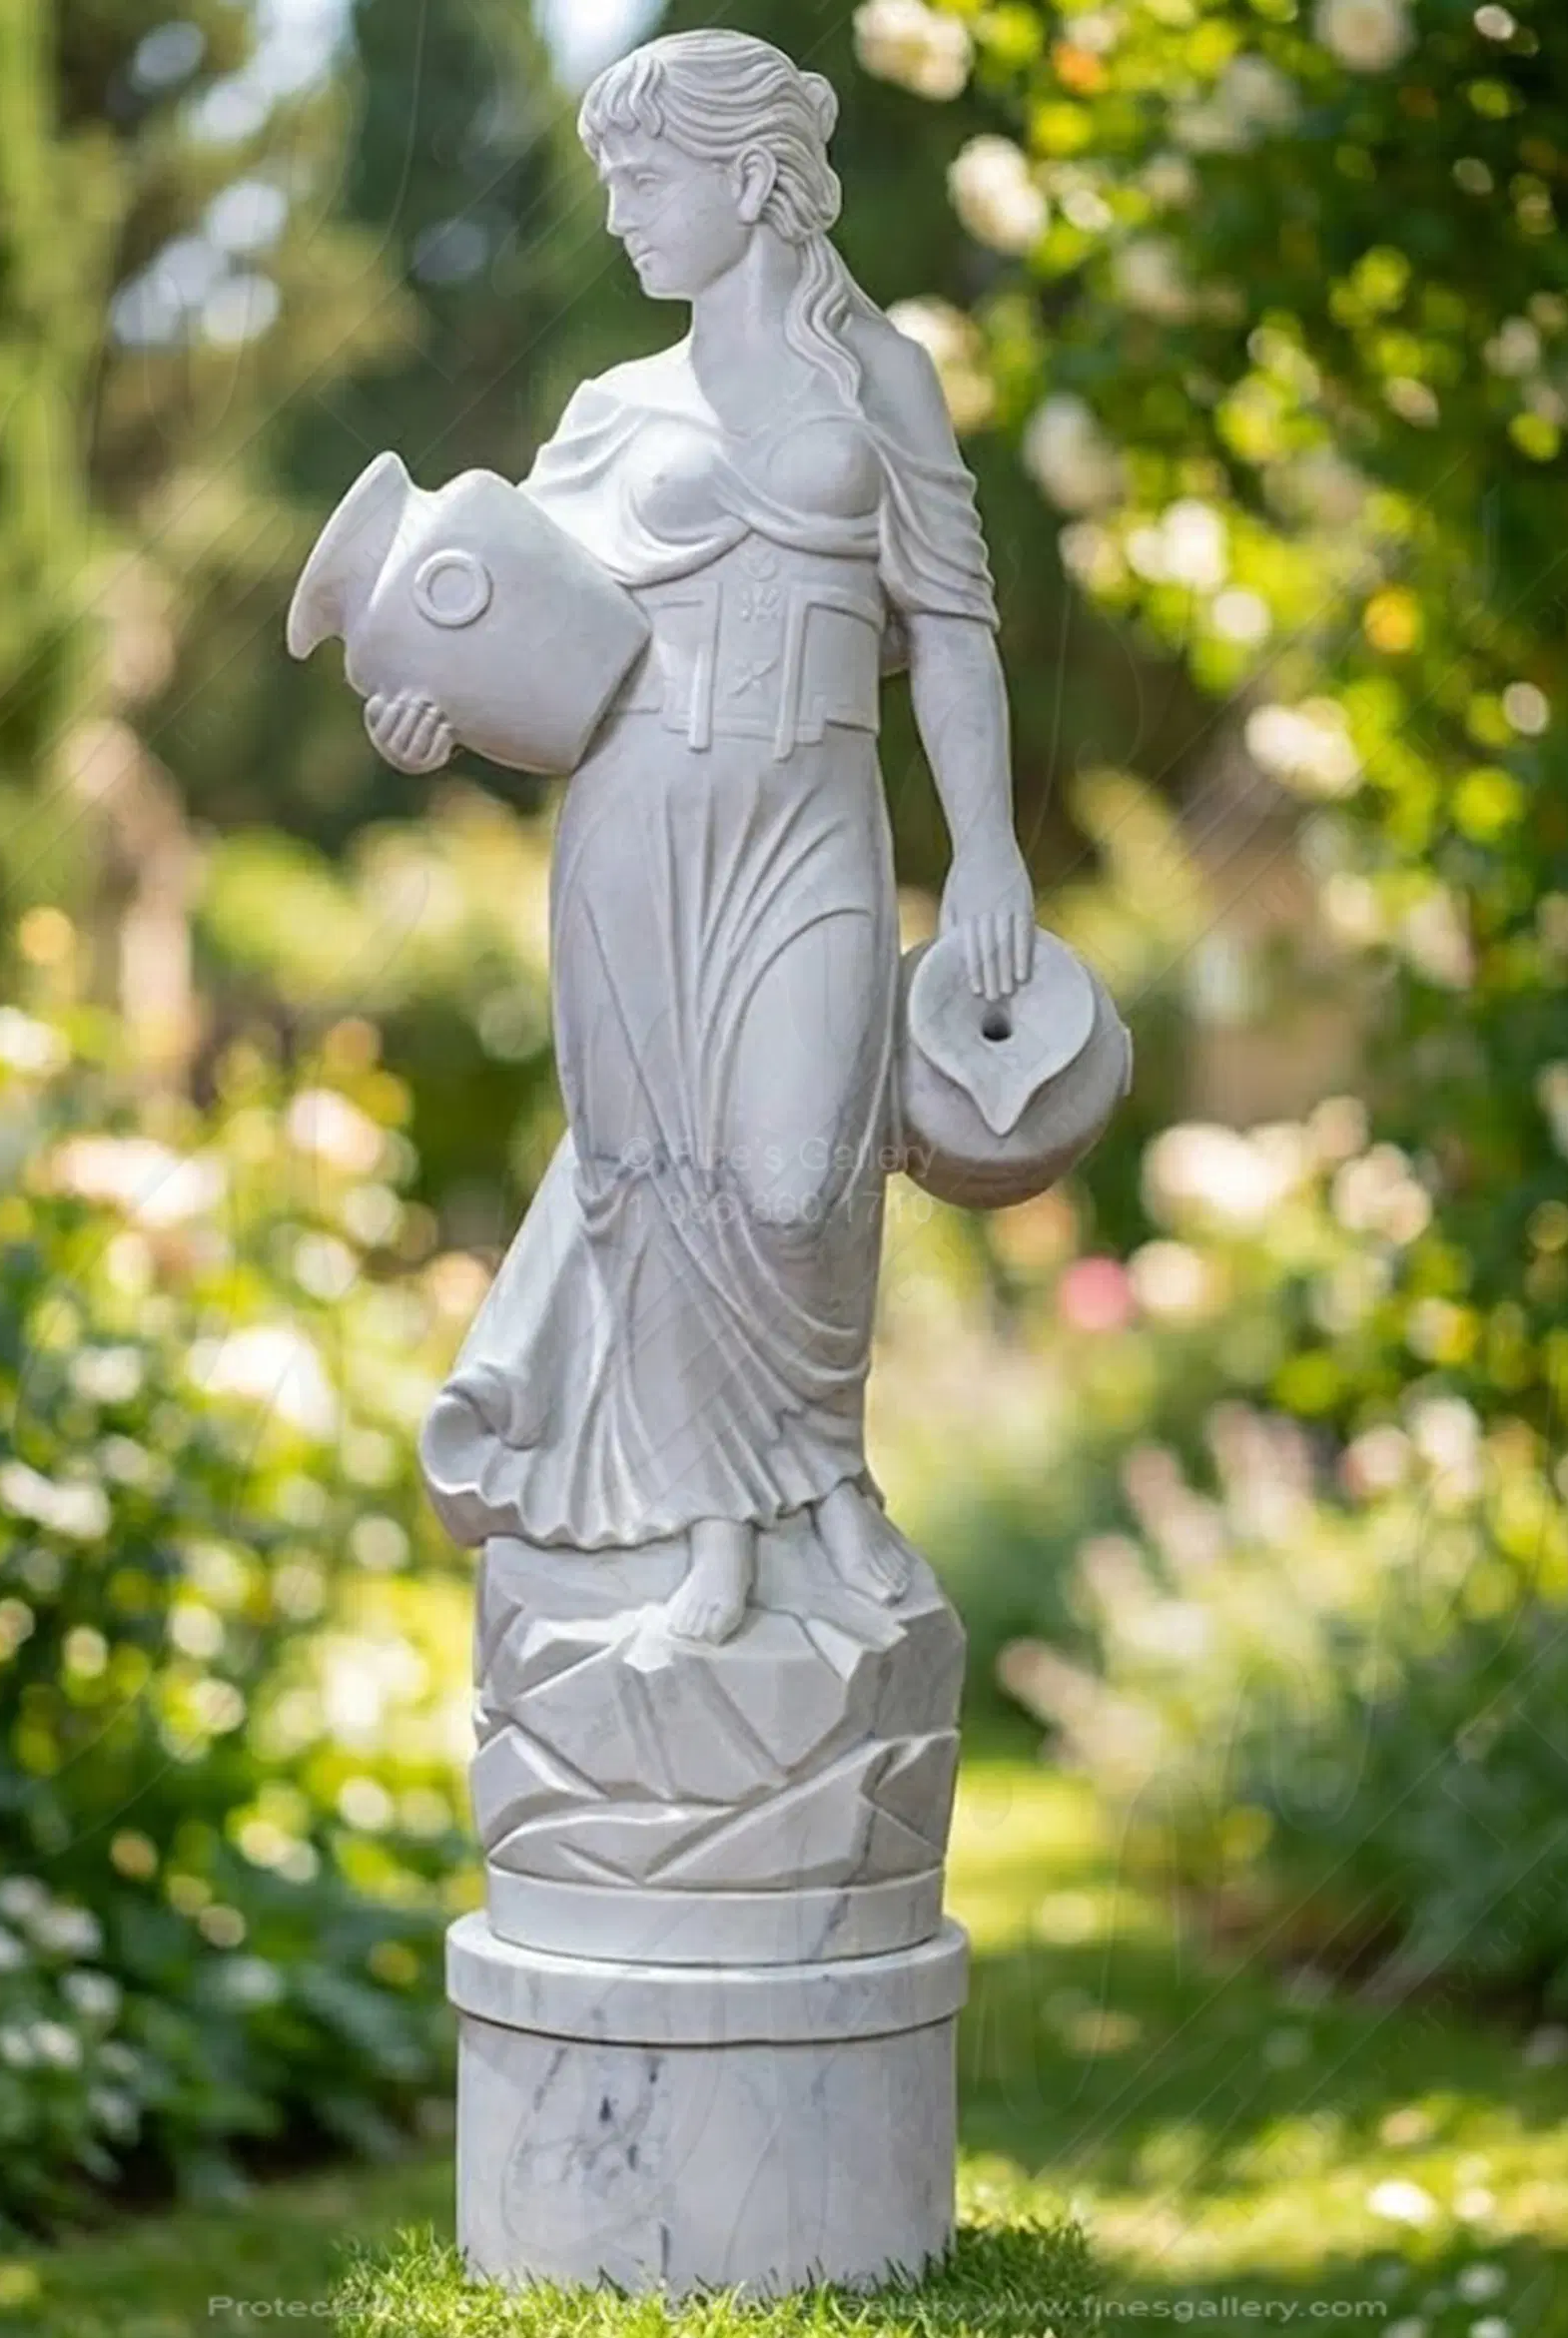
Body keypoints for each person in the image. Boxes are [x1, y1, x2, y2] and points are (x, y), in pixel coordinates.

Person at [377, 29, 1036, 1643]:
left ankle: (823, 1477)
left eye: (644, 178)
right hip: (634, 823)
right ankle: (716, 1534)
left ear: (751, 175)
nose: (619, 217)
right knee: (653, 1180)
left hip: (812, 818)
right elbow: (516, 624)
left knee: (803, 1178)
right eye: (611, 182)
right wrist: (427, 708)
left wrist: (995, 851)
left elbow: (950, 628)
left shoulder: (881, 381)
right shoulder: (613, 408)